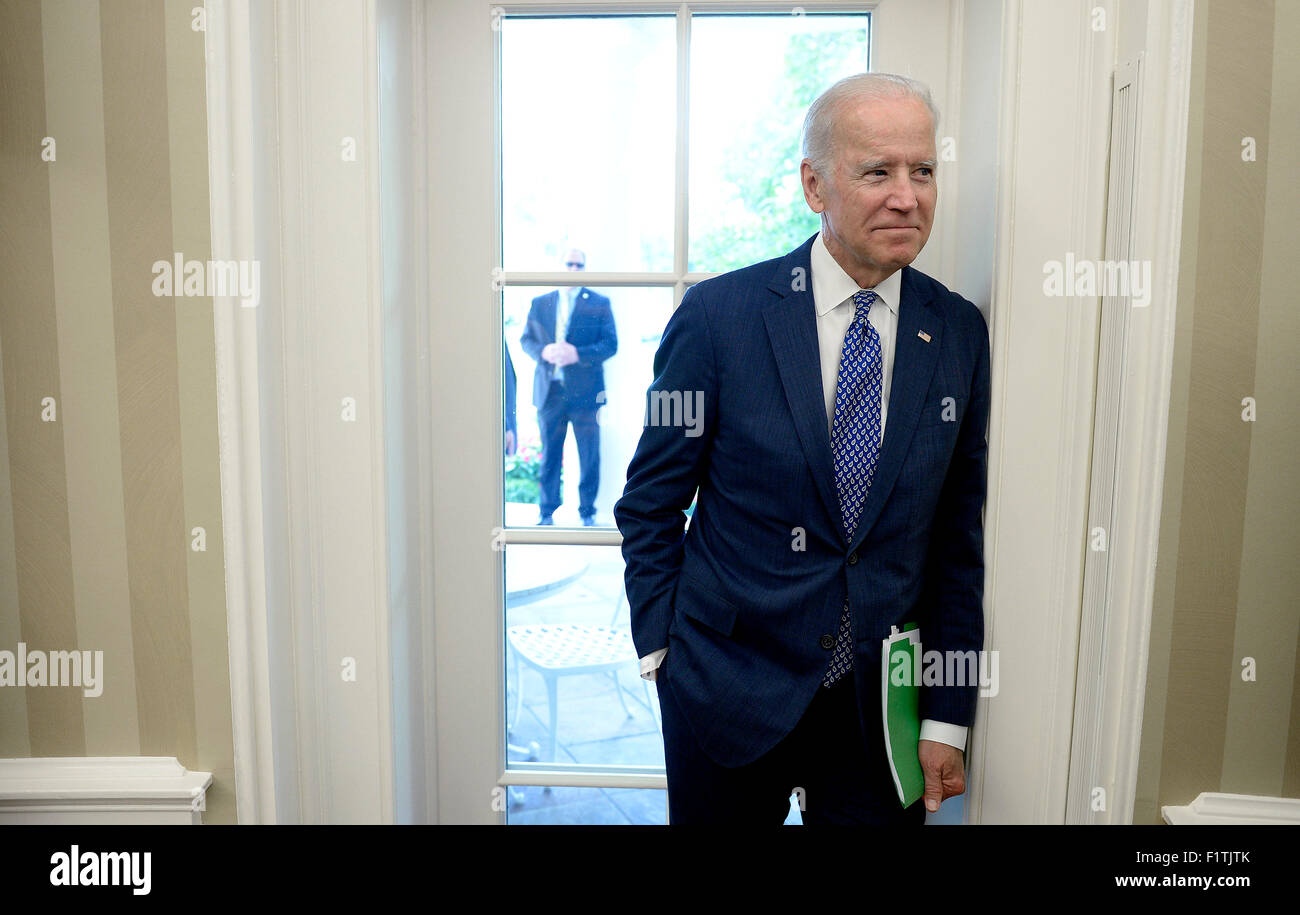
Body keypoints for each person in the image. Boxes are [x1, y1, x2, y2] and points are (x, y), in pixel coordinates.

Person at [614, 73, 990, 824]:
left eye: (923, 170)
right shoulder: (720, 319)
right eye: (877, 171)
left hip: (880, 717)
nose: (907, 196)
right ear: (814, 185)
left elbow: (957, 538)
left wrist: (948, 715)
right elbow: (650, 503)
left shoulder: (955, 331)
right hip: (724, 690)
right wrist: (664, 654)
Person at [520, 249, 617, 526]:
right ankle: (546, 512)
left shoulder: (599, 303)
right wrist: (544, 351)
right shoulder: (541, 303)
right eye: (569, 264)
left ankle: (587, 512)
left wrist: (578, 354)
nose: (574, 269)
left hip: (587, 395)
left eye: (579, 265)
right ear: (559, 266)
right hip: (550, 393)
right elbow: (526, 340)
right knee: (550, 453)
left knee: (589, 453)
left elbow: (610, 344)